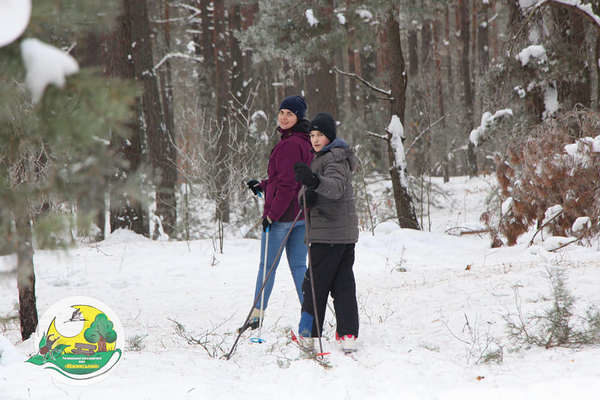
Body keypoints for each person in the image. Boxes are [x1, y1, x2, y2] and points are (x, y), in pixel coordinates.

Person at [240, 95, 314, 333]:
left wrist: (271, 214)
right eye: (282, 112)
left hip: (282, 218)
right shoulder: (304, 141)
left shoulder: (289, 144)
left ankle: (255, 316)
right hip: (301, 216)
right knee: (299, 267)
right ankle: (311, 317)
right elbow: (286, 180)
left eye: (289, 114)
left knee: (267, 266)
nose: (283, 117)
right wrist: (263, 185)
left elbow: (286, 186)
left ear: (298, 117)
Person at [293, 112, 360, 352]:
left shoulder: (334, 159)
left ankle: (307, 334)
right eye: (312, 135)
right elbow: (311, 192)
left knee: (315, 285)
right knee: (342, 284)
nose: (315, 139)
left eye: (320, 134)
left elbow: (334, 188)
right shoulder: (323, 159)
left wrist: (313, 181)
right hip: (338, 233)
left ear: (330, 136)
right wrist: (307, 193)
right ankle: (348, 334)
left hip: (329, 234)